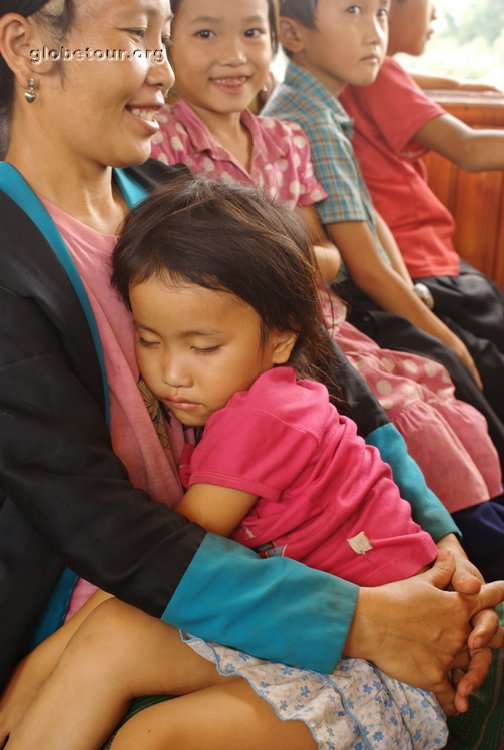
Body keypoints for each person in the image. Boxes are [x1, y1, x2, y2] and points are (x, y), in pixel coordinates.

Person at [1, 0, 500, 746]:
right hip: (126, 587)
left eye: (166, 38)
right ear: (27, 46)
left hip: (276, 557)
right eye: (136, 36)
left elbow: (341, 390)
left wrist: (439, 547)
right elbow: (99, 527)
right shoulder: (13, 268)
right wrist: (362, 621)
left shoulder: (175, 199)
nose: (165, 75)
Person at [150, 0, 504, 580]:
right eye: (206, 33)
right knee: (395, 412)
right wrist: (285, 259)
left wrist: (268, 259)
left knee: (439, 395)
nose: (233, 54)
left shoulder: (285, 139)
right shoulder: (163, 143)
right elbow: (211, 267)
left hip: (324, 319)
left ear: (273, 42)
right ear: (166, 44)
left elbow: (327, 258)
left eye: (251, 33)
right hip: (245, 332)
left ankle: (465, 553)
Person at [261, 0, 504, 466]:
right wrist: (444, 338)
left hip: (372, 288)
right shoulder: (307, 118)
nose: (375, 31)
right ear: (292, 35)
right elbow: (368, 270)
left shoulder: (321, 104)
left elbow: (372, 224)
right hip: (349, 304)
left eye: (380, 13)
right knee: (459, 362)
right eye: (354, 11)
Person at [339, 0, 504, 426]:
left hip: (422, 262)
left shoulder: (363, 72)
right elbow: (468, 149)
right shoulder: (378, 76)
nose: (436, 16)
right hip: (424, 267)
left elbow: (401, 79)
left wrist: (461, 83)